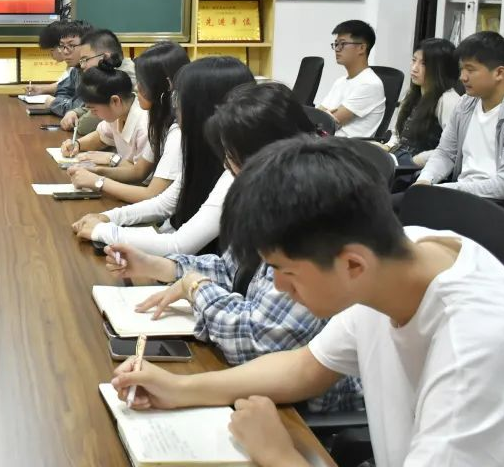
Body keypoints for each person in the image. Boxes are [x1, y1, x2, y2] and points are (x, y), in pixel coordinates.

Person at [109, 137, 504, 467]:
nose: (278, 286)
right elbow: (307, 366)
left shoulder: (474, 356)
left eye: (285, 272)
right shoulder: (402, 254)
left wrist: (280, 455)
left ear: (352, 265)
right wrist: (179, 390)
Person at [104, 82, 361, 412]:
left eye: (232, 160)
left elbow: (259, 341)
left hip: (302, 410)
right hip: (262, 385)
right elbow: (233, 268)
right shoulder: (275, 195)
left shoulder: (311, 213)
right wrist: (158, 266)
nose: (228, 170)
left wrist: (196, 288)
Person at [72, 57, 254, 254]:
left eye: (179, 99)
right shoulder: (200, 147)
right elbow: (164, 204)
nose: (175, 107)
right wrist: (108, 217)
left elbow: (180, 244)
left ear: (204, 107)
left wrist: (103, 230)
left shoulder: (234, 168)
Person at [416, 31, 504, 199]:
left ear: (499, 73)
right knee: (401, 204)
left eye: (470, 70)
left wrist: (443, 190)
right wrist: (425, 180)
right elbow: (445, 153)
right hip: (462, 197)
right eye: (461, 69)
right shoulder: (466, 104)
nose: (462, 77)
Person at [68, 41, 188, 203]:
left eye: (143, 82)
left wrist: (98, 181)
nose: (137, 88)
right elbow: (139, 172)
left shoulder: (174, 131)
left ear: (167, 85)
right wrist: (97, 172)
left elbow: (151, 195)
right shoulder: (158, 119)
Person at [61, 60, 149, 173]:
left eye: (94, 109)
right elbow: (101, 136)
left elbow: (140, 173)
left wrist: (111, 159)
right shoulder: (119, 112)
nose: (92, 113)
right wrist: (77, 144)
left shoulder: (144, 126)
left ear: (115, 101)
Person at [383, 37, 461, 166]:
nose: (414, 68)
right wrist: (385, 147)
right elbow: (398, 136)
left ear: (440, 68)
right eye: (414, 60)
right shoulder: (412, 95)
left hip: (418, 168)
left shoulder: (448, 100)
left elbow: (452, 149)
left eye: (423, 64)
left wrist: (418, 160)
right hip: (398, 160)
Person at [59, 29, 136, 136]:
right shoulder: (111, 72)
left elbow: (85, 126)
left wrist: (78, 119)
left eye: (85, 59)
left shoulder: (123, 79)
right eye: (81, 61)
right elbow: (96, 106)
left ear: (105, 57)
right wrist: (75, 112)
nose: (82, 66)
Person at [318, 19, 386, 138]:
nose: (337, 49)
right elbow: (317, 116)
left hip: (346, 147)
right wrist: (323, 116)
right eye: (336, 44)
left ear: (361, 48)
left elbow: (327, 124)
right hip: (326, 142)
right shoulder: (340, 82)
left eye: (343, 44)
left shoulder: (370, 84)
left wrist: (324, 116)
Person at [46, 20, 92, 119]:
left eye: (71, 46)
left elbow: (78, 109)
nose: (65, 52)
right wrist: (65, 103)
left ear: (88, 45)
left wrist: (53, 103)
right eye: (62, 46)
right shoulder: (76, 70)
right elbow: (62, 91)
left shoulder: (95, 71)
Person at [23, 20, 74, 97]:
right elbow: (62, 84)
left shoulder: (78, 65)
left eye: (51, 50)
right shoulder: (70, 64)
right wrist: (40, 89)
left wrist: (51, 100)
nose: (51, 55)